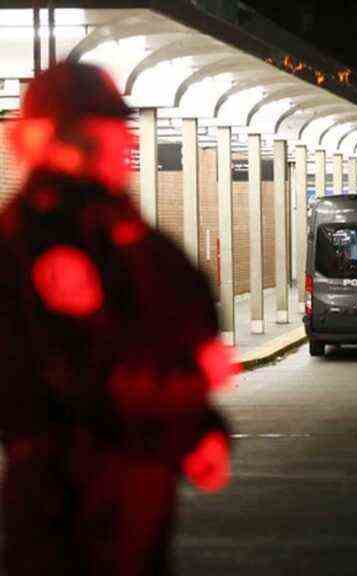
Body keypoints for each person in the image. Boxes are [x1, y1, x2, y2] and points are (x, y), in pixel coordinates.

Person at [0, 62, 236, 575]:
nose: (126, 149)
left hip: (132, 509)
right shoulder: (30, 243)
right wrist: (186, 401)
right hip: (64, 511)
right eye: (111, 136)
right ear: (68, 139)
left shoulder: (121, 233)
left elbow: (181, 307)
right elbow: (50, 378)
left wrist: (200, 425)